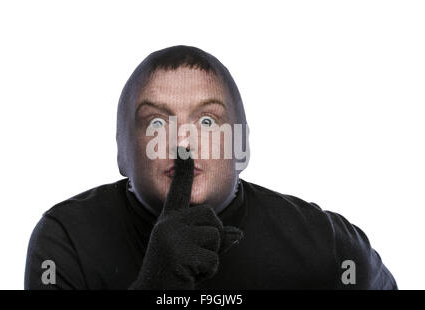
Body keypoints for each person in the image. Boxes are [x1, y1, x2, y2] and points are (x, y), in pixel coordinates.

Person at [24, 45, 397, 289]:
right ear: (122, 152)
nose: (182, 143)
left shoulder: (325, 244)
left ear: (241, 145)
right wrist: (157, 282)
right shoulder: (67, 238)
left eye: (207, 122)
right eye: (156, 123)